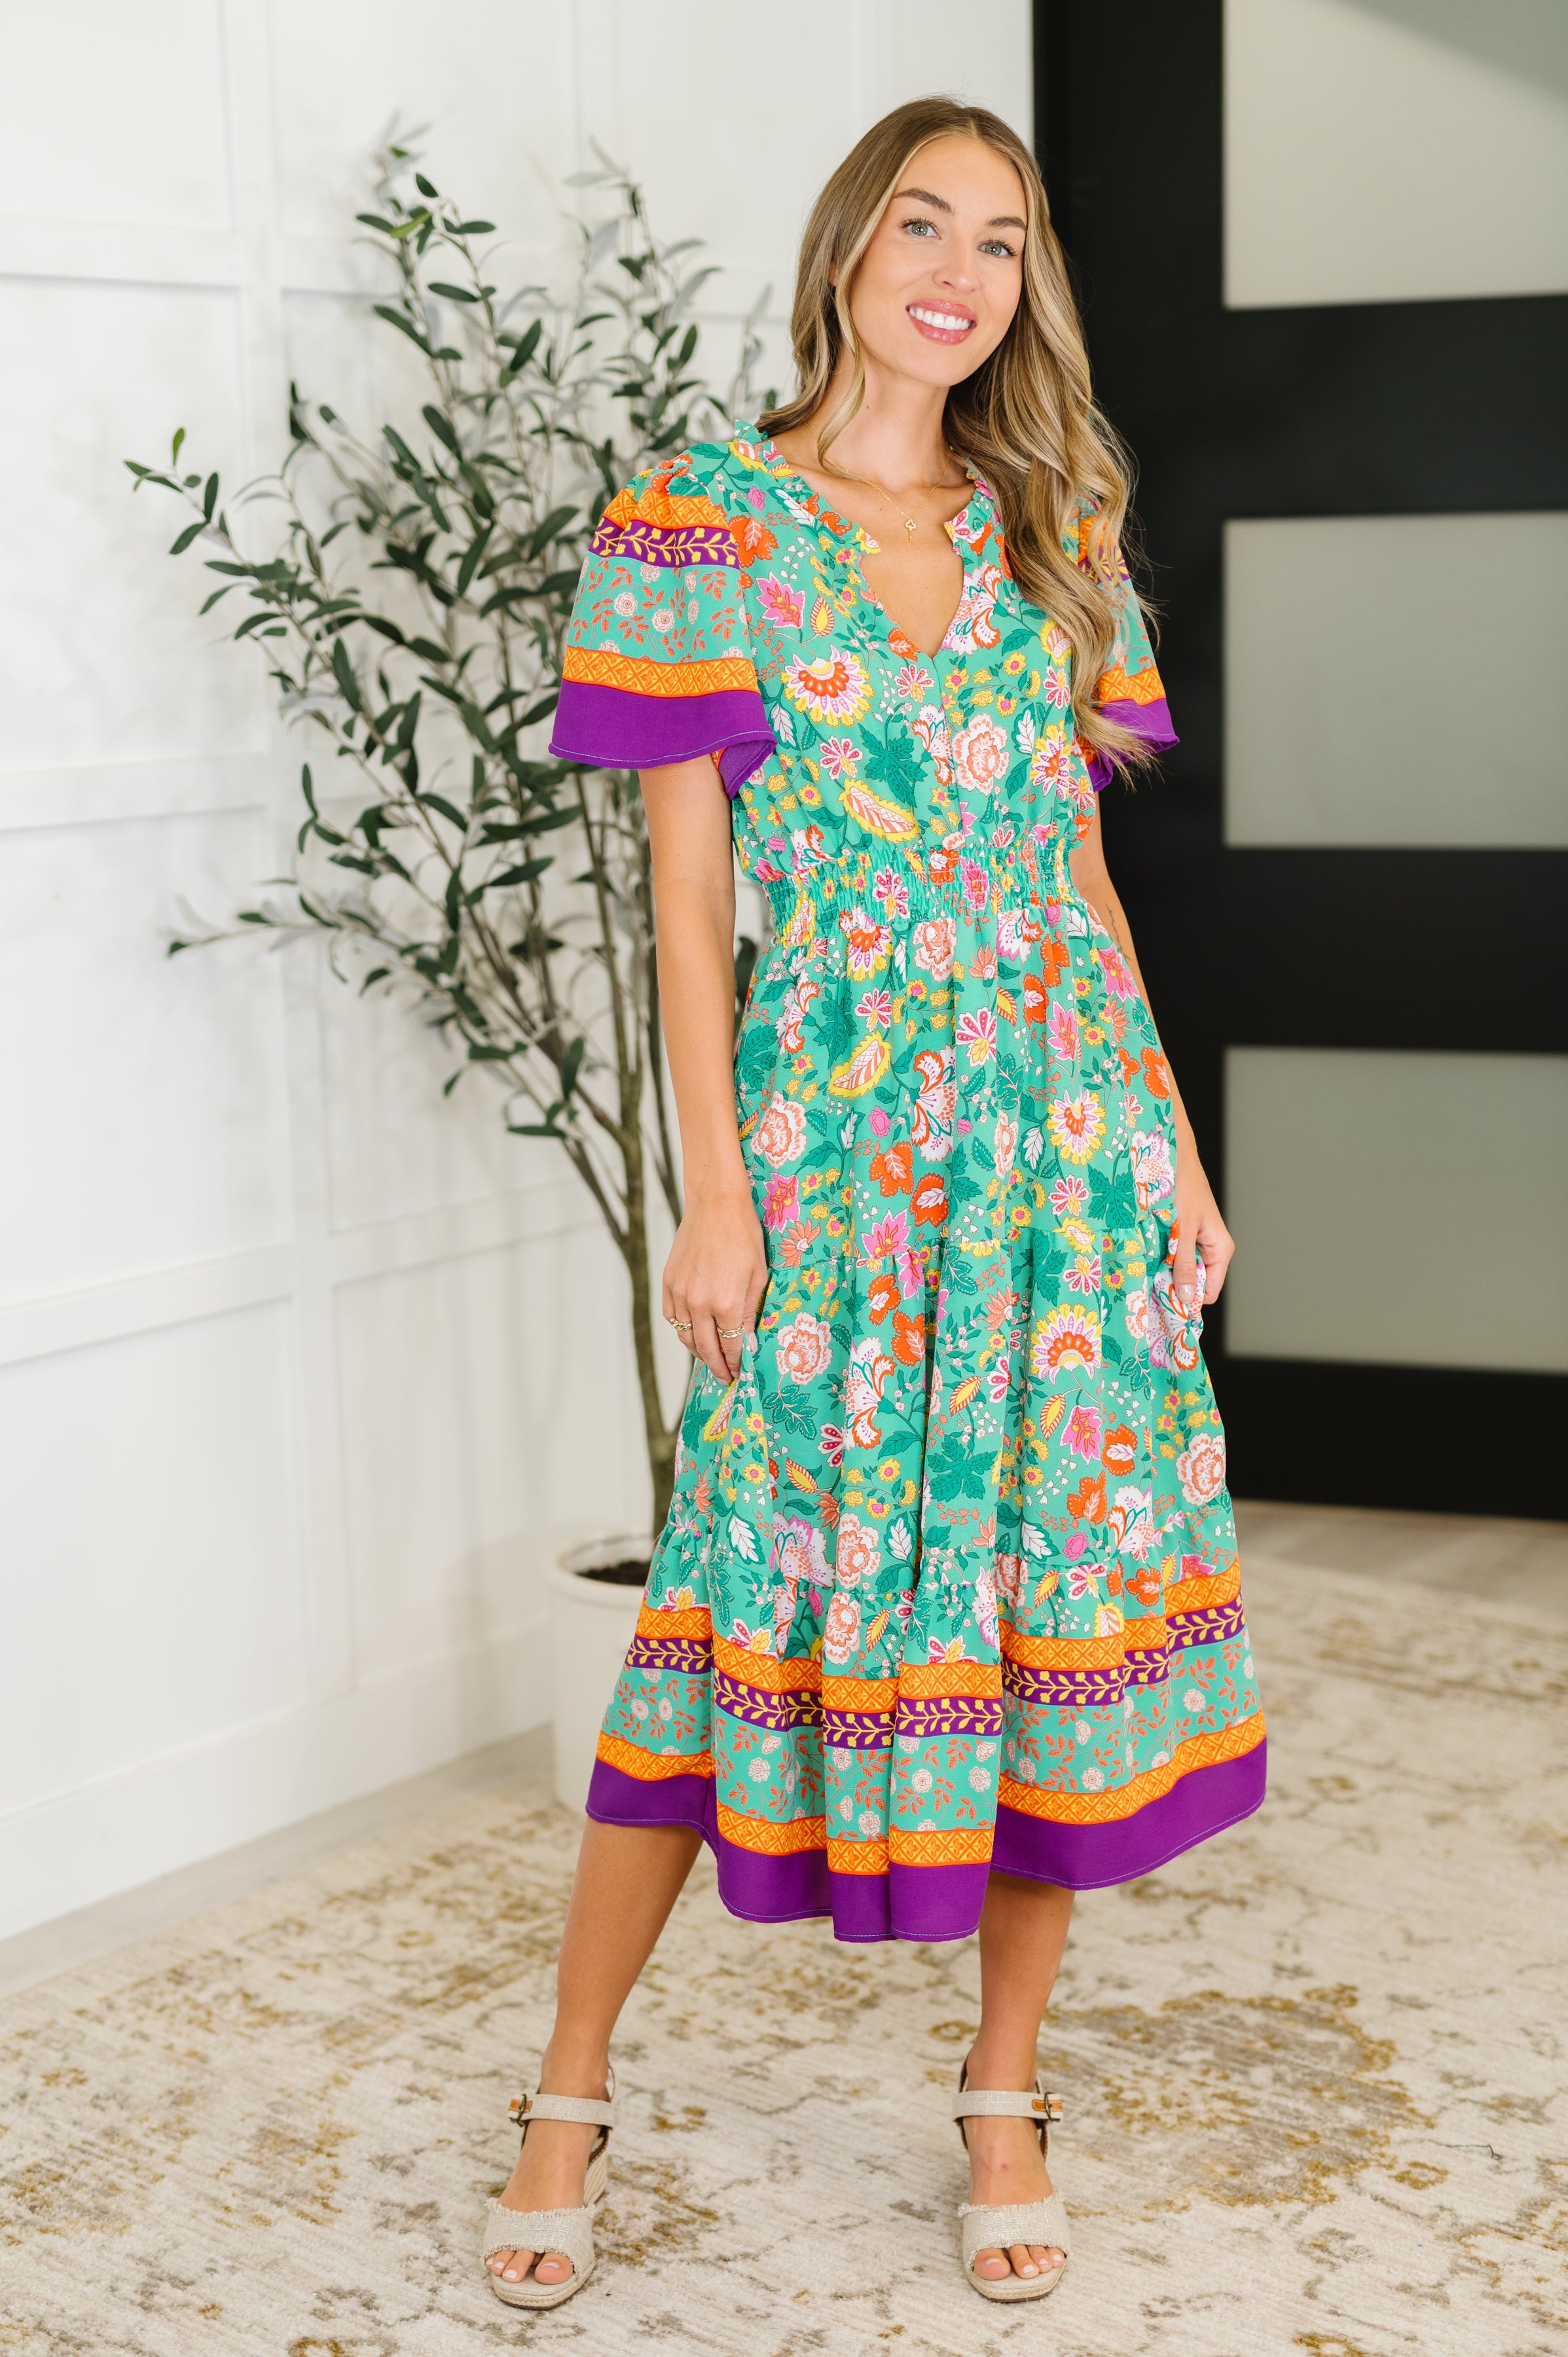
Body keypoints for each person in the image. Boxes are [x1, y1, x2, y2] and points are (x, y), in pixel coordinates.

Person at [483, 94, 1265, 2311]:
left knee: (1048, 1611)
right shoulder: (700, 520)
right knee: (732, 1583)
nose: (957, 271)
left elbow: (1078, 870)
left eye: (1000, 241)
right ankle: (567, 2088)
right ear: (844, 251)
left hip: (1062, 1155)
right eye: (920, 224)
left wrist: (1172, 1141)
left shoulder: (1056, 524)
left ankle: (1003, 2088)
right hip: (834, 1157)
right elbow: (686, 902)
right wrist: (713, 1197)